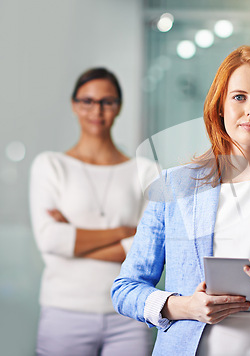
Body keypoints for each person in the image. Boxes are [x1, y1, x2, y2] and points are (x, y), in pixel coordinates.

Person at [111, 45, 250, 355]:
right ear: (220, 106)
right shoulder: (173, 186)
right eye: (239, 97)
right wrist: (185, 307)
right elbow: (126, 289)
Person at [30, 68, 156, 355]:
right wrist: (124, 233)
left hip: (130, 310)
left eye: (107, 101)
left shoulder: (144, 170)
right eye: (87, 101)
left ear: (119, 107)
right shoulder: (50, 165)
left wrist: (71, 241)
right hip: (64, 311)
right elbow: (49, 239)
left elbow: (146, 249)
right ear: (75, 105)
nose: (96, 110)